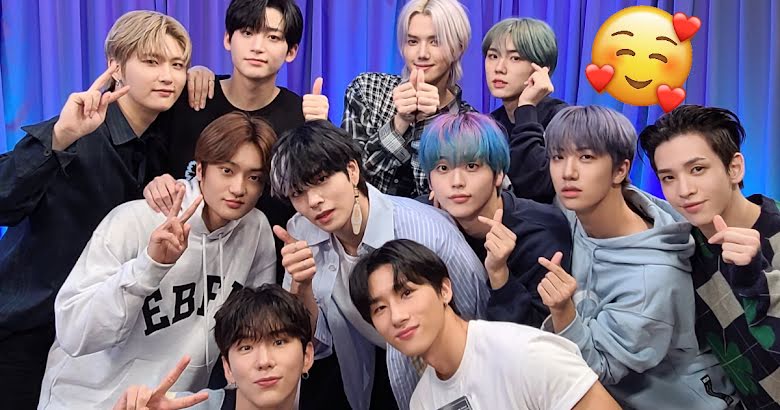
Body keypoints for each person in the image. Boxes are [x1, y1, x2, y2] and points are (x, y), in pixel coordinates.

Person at [0, 10, 191, 408]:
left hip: (96, 337)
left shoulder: (160, 144)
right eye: (152, 61)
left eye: (178, 65)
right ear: (115, 67)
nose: (167, 76)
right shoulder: (79, 127)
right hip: (26, 327)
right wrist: (60, 136)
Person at [38, 112, 278, 409]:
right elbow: (74, 333)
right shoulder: (134, 221)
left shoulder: (256, 230)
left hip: (170, 403)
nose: (239, 188)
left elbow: (254, 330)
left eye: (254, 178)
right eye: (227, 171)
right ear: (200, 170)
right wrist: (149, 266)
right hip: (88, 401)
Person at [269, 121, 489, 409]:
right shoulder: (301, 230)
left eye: (322, 179)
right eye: (297, 193)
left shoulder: (426, 231)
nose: (314, 201)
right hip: (365, 375)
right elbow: (305, 340)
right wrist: (301, 286)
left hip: (447, 378)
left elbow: (479, 318)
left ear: (352, 171)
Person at [537, 105, 737, 408]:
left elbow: (600, 370)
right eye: (558, 157)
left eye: (587, 157)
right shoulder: (578, 206)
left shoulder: (652, 276)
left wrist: (563, 312)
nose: (568, 172)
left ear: (620, 170)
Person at [349, 239, 620, 409]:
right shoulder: (422, 401)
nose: (397, 316)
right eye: (380, 308)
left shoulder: (524, 353)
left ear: (445, 290)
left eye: (407, 293)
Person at [639, 105, 780, 408]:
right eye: (668, 177)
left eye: (697, 169)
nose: (684, 190)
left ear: (734, 168)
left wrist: (755, 282)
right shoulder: (683, 251)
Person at [418, 112, 571, 326]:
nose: (456, 182)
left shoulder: (542, 230)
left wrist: (500, 274)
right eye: (443, 168)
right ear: (430, 181)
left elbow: (537, 334)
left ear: (498, 174)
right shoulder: (421, 219)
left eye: (471, 166)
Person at [341, 0, 474, 198]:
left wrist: (428, 123)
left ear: (458, 47)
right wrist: (400, 122)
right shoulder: (367, 90)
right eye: (412, 41)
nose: (422, 54)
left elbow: (438, 197)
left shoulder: (469, 124)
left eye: (435, 42)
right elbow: (350, 177)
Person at [113, 284, 314, 410]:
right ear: (227, 368)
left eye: (279, 342)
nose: (264, 361)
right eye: (246, 347)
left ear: (307, 356)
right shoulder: (177, 407)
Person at [482, 17, 568, 203]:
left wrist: (526, 106)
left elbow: (535, 186)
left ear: (542, 69)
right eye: (493, 56)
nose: (499, 68)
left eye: (515, 58)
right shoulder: (489, 125)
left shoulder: (564, 120)